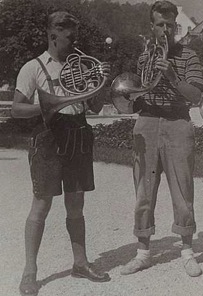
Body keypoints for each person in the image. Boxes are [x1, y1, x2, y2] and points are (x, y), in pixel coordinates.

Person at [12, 11, 111, 296]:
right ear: (53, 35)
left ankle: (80, 263)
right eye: (69, 36)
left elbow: (94, 108)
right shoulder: (33, 67)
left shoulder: (80, 65)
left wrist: (101, 81)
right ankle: (30, 271)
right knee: (41, 206)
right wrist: (45, 108)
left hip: (78, 133)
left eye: (74, 35)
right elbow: (17, 109)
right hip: (48, 137)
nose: (74, 41)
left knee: (76, 205)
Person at [120, 1, 203, 277]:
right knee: (144, 190)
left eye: (170, 25)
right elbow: (140, 88)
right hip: (147, 121)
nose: (165, 30)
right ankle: (143, 252)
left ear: (176, 26)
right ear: (152, 26)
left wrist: (172, 75)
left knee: (183, 189)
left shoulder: (189, 56)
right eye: (160, 24)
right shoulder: (145, 56)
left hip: (178, 121)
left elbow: (196, 96)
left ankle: (187, 251)